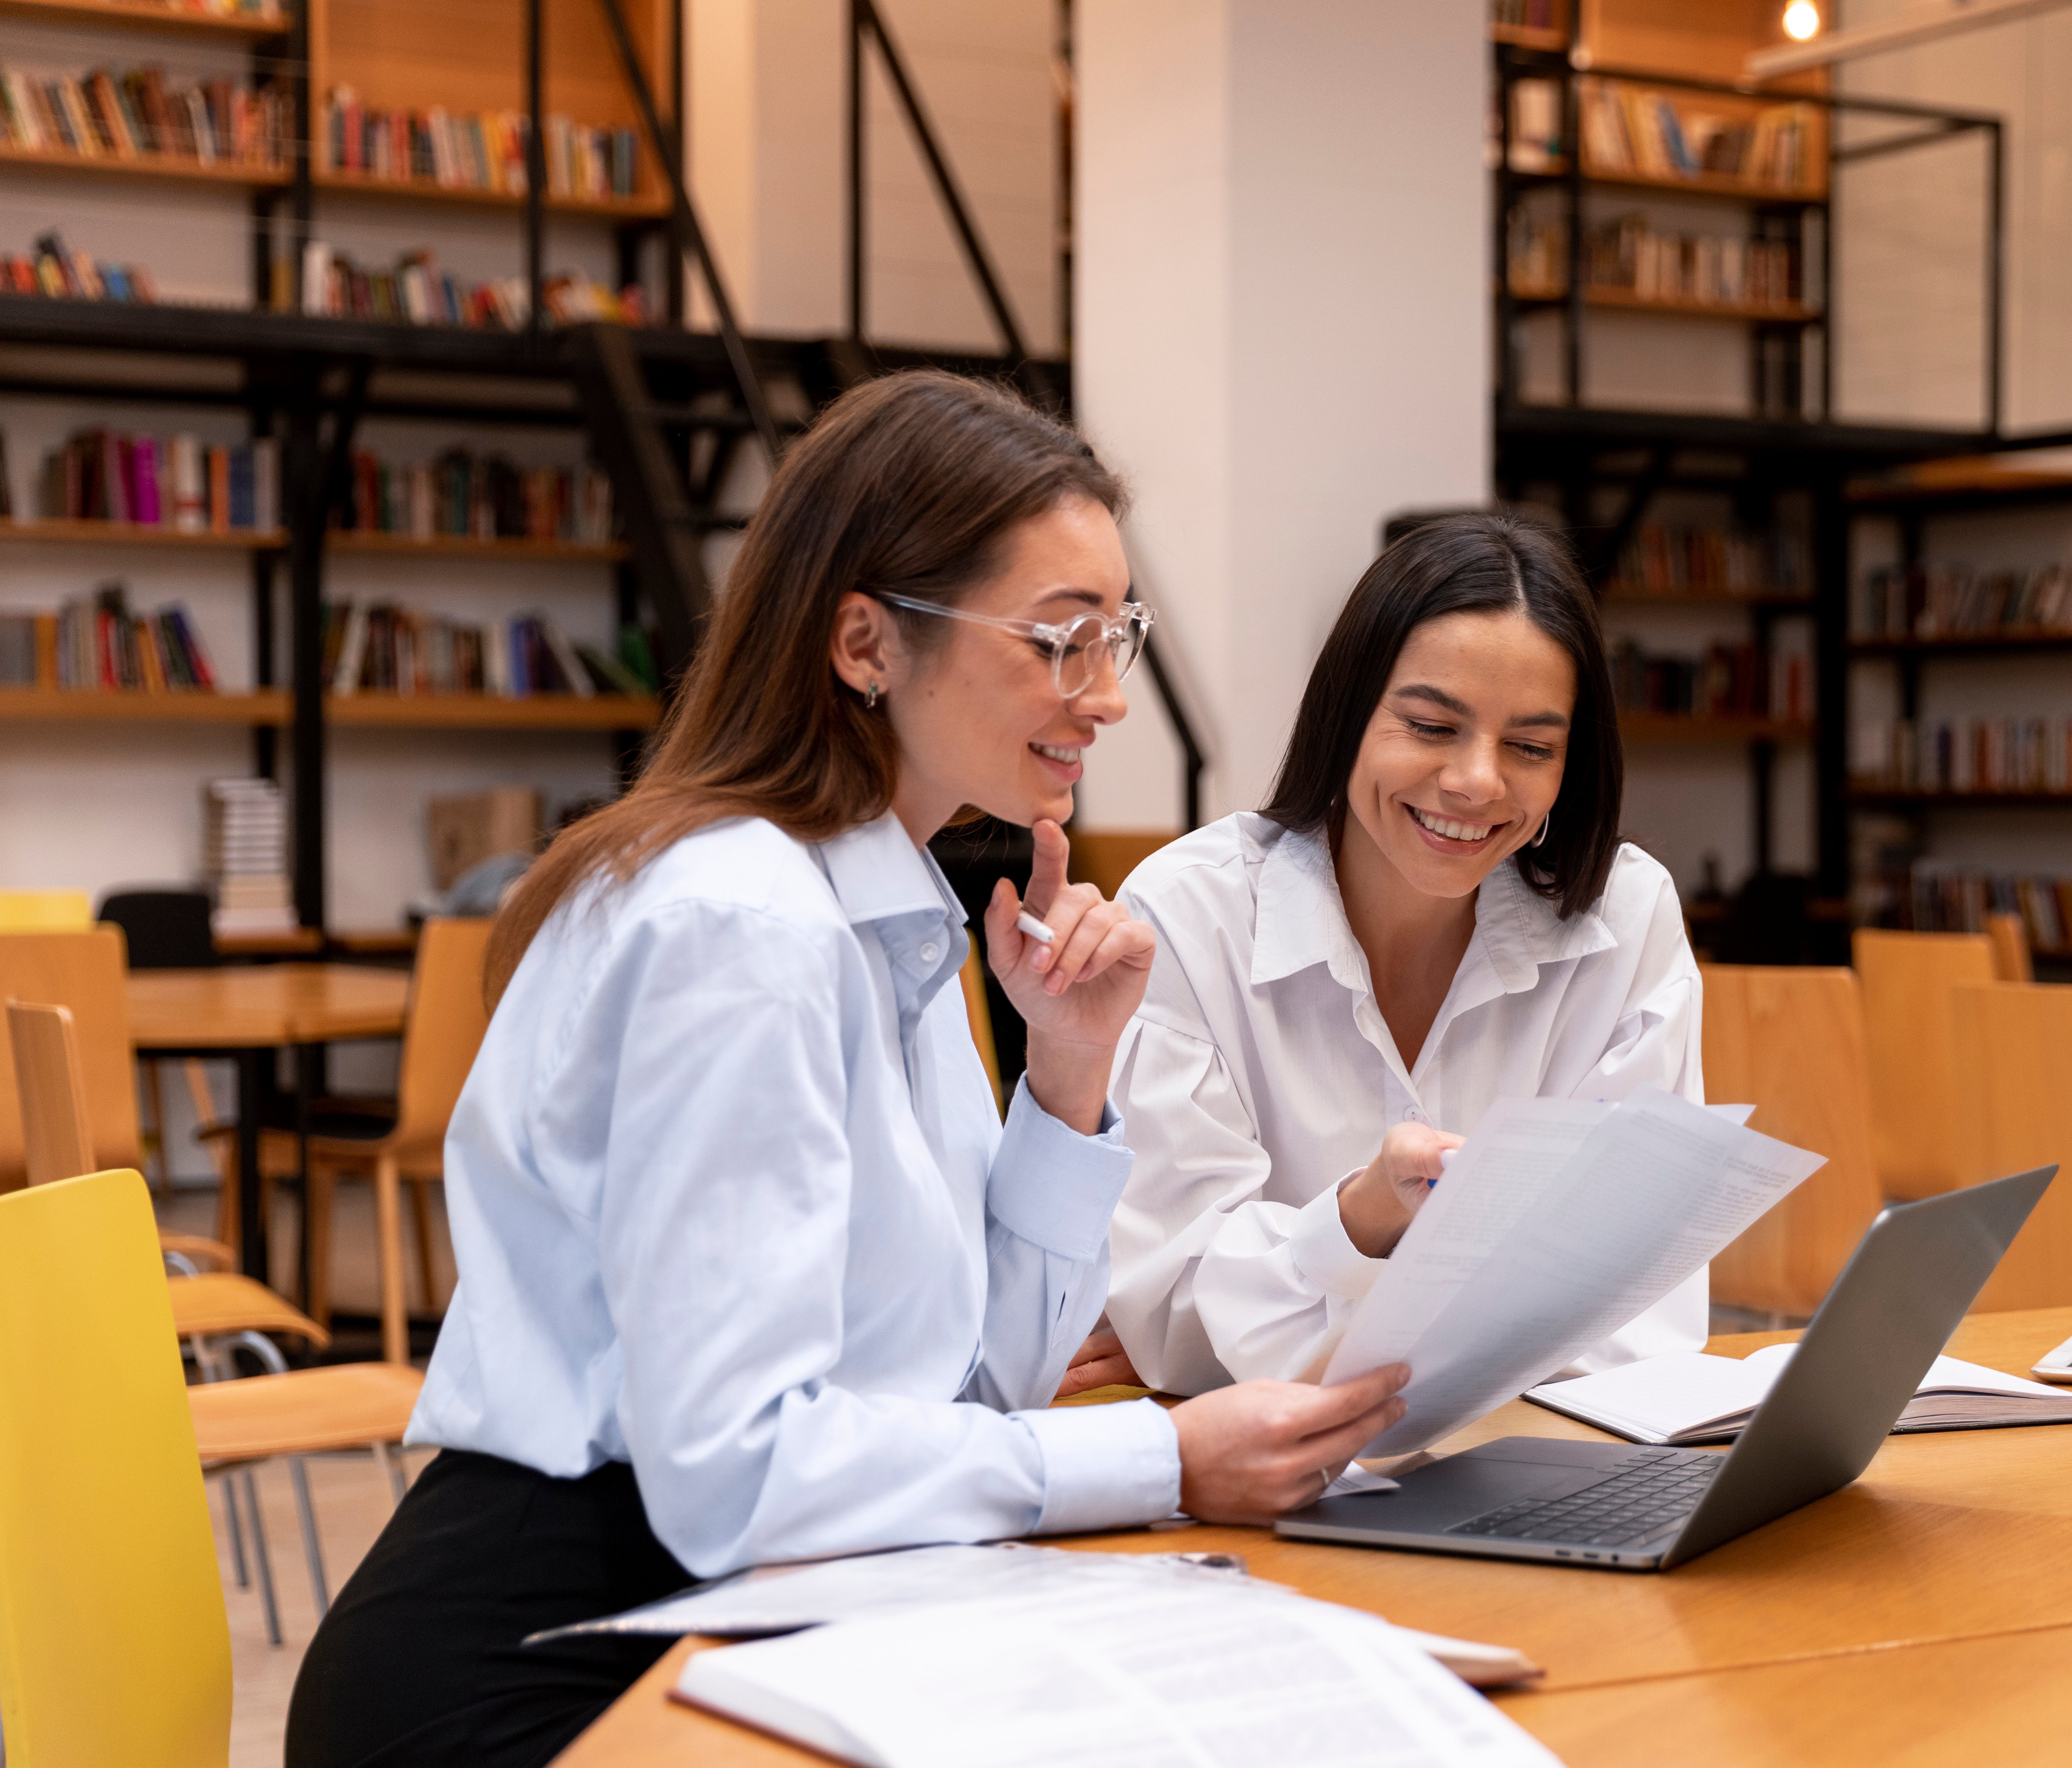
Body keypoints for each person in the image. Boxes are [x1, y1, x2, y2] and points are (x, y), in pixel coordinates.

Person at [286, 373, 1407, 1768]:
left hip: (746, 1609)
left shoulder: (891, 911)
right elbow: (739, 1473)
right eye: (1059, 641)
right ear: (867, 641)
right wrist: (1168, 1457)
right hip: (543, 1672)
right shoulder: (742, 922)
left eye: (1117, 636)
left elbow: (978, 1386)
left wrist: (1065, 1073)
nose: (1110, 696)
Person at [1069, 512, 1708, 1400]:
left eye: (1530, 747)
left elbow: (1639, 1312)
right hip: (1282, 1478)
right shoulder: (1189, 913)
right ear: (1348, 716)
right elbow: (1176, 1307)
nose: (1478, 781)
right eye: (1431, 725)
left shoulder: (1625, 914)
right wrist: (1358, 1221)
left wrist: (1275, 1306)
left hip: (1540, 1455)